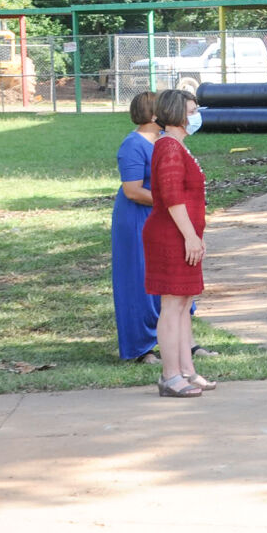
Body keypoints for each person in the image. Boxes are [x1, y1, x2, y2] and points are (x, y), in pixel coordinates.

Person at [143, 89, 215, 396]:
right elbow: (173, 198)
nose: (196, 115)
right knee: (172, 305)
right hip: (171, 236)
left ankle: (187, 371)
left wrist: (196, 235)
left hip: (183, 234)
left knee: (184, 303)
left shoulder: (177, 146)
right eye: (192, 110)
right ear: (177, 113)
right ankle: (170, 376)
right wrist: (190, 236)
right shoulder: (169, 147)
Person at [110, 92, 162, 363]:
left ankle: (172, 340)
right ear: (153, 115)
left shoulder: (162, 141)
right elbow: (132, 191)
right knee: (138, 280)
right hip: (136, 219)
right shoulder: (132, 145)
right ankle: (141, 348)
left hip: (157, 217)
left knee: (162, 279)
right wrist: (169, 201)